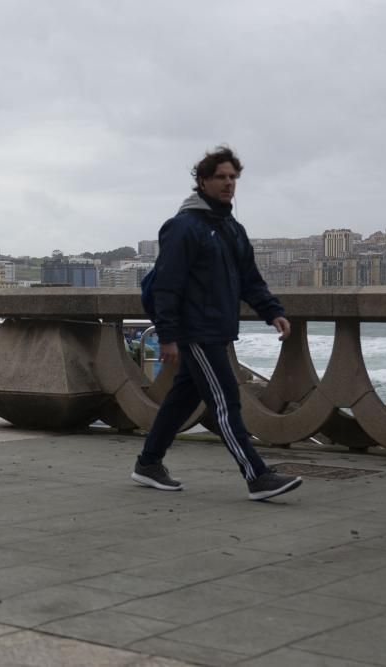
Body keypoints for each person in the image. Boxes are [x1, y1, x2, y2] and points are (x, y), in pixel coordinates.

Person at [132, 146, 303, 501]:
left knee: (182, 398)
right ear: (203, 181)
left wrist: (273, 311)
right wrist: (167, 335)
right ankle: (257, 475)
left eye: (233, 178)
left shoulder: (232, 229)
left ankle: (148, 464)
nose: (228, 184)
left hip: (216, 329)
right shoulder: (183, 228)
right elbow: (167, 285)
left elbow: (249, 279)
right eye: (221, 177)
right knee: (226, 401)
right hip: (196, 331)